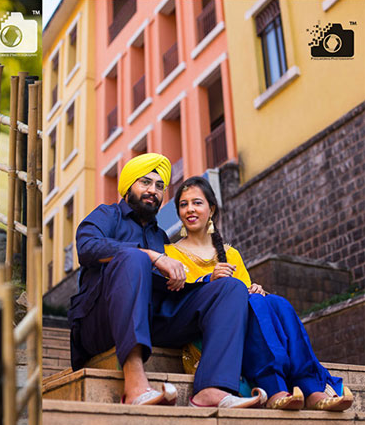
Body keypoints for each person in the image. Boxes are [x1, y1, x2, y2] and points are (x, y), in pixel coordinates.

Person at [67, 154, 266, 408]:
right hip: (100, 322)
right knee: (134, 258)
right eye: (145, 183)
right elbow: (86, 247)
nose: (153, 190)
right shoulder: (107, 215)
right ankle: (134, 386)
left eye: (160, 186)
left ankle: (211, 389)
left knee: (228, 288)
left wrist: (196, 281)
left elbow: (166, 287)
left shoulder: (159, 235)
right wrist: (150, 255)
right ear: (128, 187)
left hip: (151, 319)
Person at [165, 176, 353, 411]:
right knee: (255, 304)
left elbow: (244, 296)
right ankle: (275, 388)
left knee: (276, 302)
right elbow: (177, 298)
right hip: (207, 330)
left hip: (245, 324)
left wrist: (254, 288)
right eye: (183, 204)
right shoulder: (169, 252)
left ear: (211, 209)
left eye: (197, 202)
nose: (190, 209)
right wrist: (209, 280)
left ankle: (311, 389)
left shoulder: (230, 254)